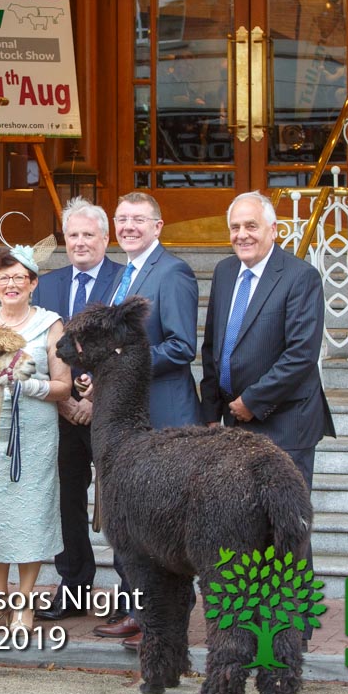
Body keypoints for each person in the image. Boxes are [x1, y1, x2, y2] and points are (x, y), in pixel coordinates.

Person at [199, 191, 336, 644]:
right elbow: (214, 346)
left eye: (251, 226)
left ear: (273, 230)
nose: (242, 235)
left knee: (287, 524)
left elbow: (301, 356)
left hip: (285, 422)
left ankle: (293, 626)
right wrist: (211, 412)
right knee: (248, 523)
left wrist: (251, 402)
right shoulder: (225, 272)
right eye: (235, 227)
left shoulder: (300, 277)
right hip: (234, 424)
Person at [95, 191, 202, 644]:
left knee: (163, 521)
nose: (129, 227)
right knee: (132, 521)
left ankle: (165, 620)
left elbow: (181, 346)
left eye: (138, 219)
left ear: (158, 226)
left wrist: (122, 369)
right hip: (127, 422)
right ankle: (138, 610)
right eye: (122, 219)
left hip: (163, 416)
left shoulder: (172, 272)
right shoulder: (122, 276)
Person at [0, 247, 72, 634]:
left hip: (36, 436)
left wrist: (29, 384)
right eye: (3, 278)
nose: (11, 284)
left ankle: (24, 605)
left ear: (33, 283)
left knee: (32, 518)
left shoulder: (50, 324)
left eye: (19, 277)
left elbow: (63, 386)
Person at [30, 198, 123, 622]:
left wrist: (94, 397)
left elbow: (130, 345)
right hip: (62, 414)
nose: (80, 242)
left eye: (88, 234)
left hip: (112, 411)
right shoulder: (47, 286)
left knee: (119, 501)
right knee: (67, 500)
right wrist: (66, 398)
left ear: (105, 237)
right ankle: (74, 585)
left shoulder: (125, 279)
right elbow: (38, 348)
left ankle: (129, 588)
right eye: (73, 235)